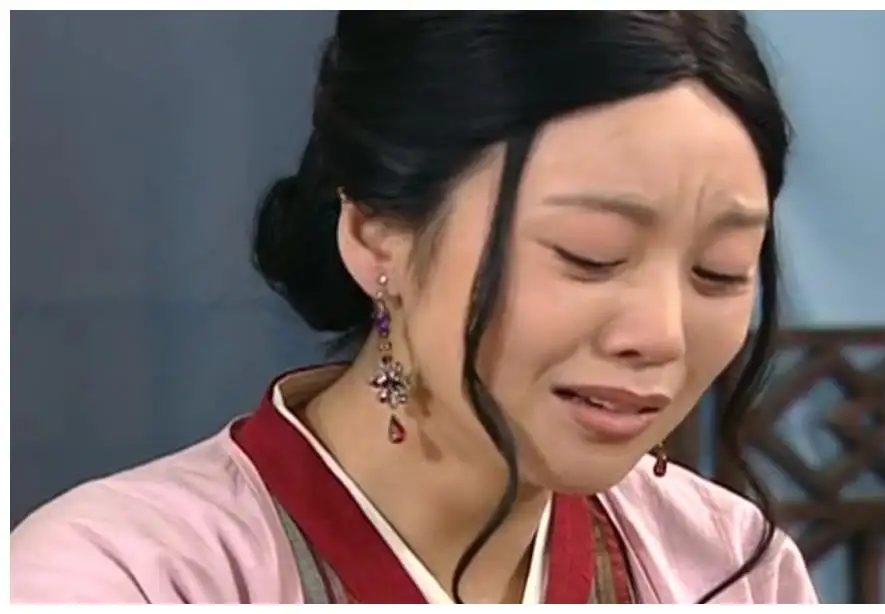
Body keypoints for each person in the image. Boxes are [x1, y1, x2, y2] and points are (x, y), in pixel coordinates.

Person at [11, 12, 819, 604]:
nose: (661, 335)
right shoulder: (126, 578)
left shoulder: (728, 566)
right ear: (375, 234)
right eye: (590, 254)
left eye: (719, 271)